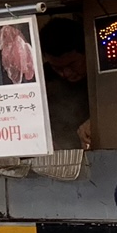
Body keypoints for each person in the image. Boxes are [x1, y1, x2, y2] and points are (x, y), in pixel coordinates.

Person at [40, 19, 95, 150]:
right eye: (56, 68)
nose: (65, 74)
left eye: (71, 65)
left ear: (87, 51)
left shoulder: (102, 77)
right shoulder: (44, 81)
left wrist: (98, 123)